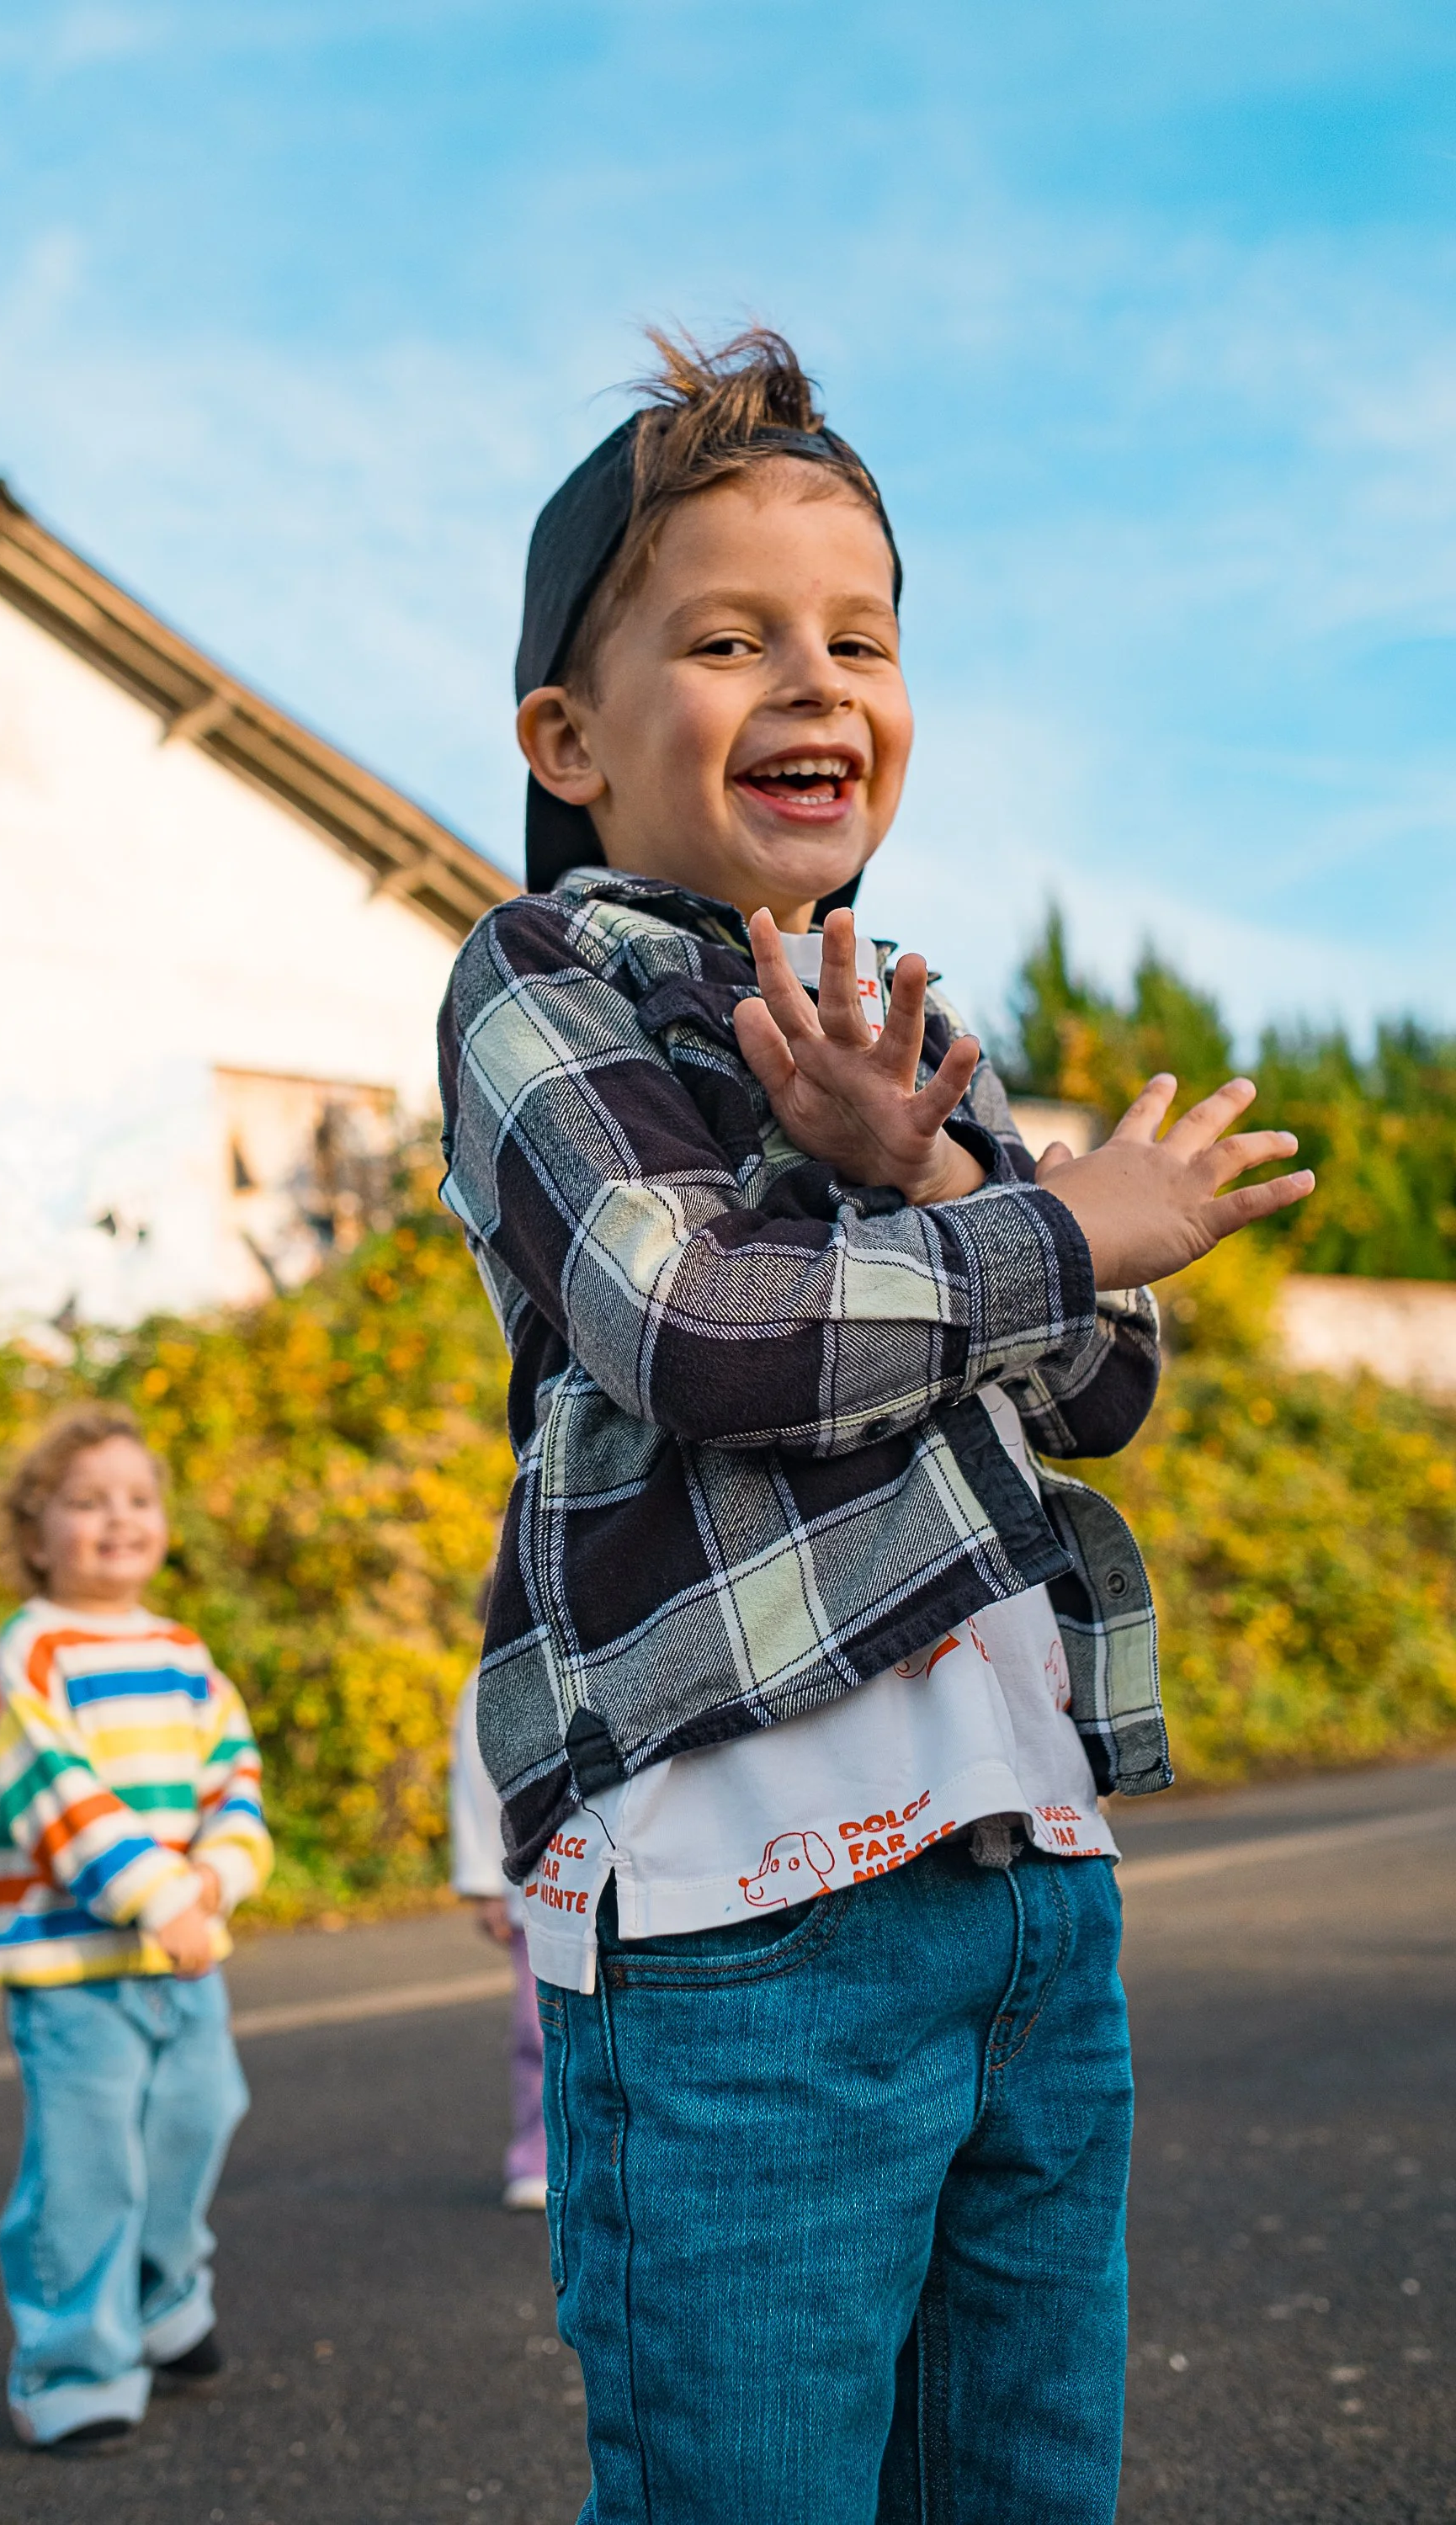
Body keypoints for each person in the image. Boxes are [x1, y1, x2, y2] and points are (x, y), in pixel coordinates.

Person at [437, 327, 1313, 2523]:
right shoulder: (545, 979)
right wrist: (1061, 1226)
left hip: (1027, 1907)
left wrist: (943, 1174)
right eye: (727, 639)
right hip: (743, 1938)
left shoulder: (914, 1020)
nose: (813, 680)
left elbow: (1100, 1385)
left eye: (859, 637)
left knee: (1023, 2487)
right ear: (572, 734)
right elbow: (694, 1324)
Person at [0, 1403, 272, 2457]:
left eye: (137, 1499)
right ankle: (72, 2367)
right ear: (33, 1529)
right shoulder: (31, 1652)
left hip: (186, 1946)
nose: (118, 1520)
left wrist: (214, 1885)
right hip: (73, 1964)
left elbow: (235, 1776)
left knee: (197, 2117)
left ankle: (161, 2294)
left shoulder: (184, 1651)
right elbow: (59, 1795)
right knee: (89, 2161)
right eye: (86, 1502)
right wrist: (160, 1898)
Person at [449, 1665, 549, 2209]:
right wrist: (487, 1882)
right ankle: (538, 2154)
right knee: (538, 2027)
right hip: (533, 1887)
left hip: (620, 1882)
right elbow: (475, 1784)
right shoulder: (491, 1679)